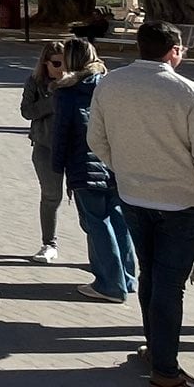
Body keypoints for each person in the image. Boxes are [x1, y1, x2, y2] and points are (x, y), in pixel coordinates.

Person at [88, 21, 194, 387]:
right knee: (169, 284)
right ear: (175, 50)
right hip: (184, 202)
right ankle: (166, 369)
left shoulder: (110, 83)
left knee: (151, 275)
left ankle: (157, 348)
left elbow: (96, 139)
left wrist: (125, 168)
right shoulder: (190, 93)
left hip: (134, 195)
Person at [50, 38, 132, 302]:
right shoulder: (111, 85)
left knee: (97, 223)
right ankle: (127, 277)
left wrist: (57, 166)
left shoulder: (67, 91)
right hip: (116, 164)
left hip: (84, 164)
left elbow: (62, 132)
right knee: (118, 219)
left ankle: (110, 283)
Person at [19, 41, 68, 263]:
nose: (62, 68)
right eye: (56, 63)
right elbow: (27, 111)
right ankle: (49, 243)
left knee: (89, 201)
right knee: (51, 197)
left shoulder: (78, 82)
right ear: (46, 63)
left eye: (66, 62)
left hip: (76, 148)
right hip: (45, 146)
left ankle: (98, 248)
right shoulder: (35, 82)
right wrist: (51, 100)